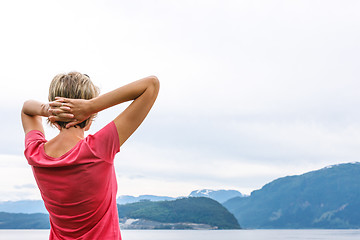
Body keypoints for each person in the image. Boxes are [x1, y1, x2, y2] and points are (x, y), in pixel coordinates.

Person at [21, 72, 160, 240]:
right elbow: (151, 85)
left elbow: (27, 109)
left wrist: (48, 109)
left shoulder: (36, 153)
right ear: (90, 115)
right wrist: (91, 106)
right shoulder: (98, 149)